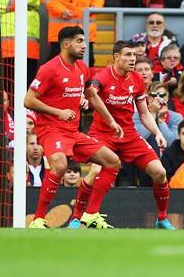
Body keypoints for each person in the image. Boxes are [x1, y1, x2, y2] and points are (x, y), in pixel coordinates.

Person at [24, 27, 122, 230]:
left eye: (84, 41)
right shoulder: (49, 69)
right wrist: (57, 112)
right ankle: (38, 219)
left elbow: (90, 95)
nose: (84, 45)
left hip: (73, 131)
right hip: (51, 128)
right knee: (59, 165)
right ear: (66, 44)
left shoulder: (82, 68)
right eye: (79, 41)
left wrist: (109, 120)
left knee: (112, 162)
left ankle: (88, 215)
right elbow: (28, 100)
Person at [67, 41, 173, 228]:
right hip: (102, 134)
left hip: (129, 135)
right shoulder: (104, 76)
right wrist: (85, 98)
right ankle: (78, 217)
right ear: (116, 57)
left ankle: (162, 218)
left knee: (160, 172)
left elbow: (144, 113)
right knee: (96, 171)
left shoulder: (137, 80)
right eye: (127, 55)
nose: (132, 59)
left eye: (134, 55)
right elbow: (92, 91)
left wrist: (157, 132)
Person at [134, 81, 183, 148]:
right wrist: (153, 114)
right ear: (148, 98)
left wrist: (161, 121)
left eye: (162, 95)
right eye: (153, 95)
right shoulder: (138, 115)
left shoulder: (176, 117)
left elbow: (172, 143)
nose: (158, 98)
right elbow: (139, 138)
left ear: (167, 97)